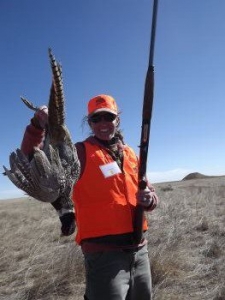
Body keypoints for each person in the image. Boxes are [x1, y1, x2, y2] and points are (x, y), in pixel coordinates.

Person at [21, 94, 159, 300]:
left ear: (117, 120)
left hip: (140, 250)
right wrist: (37, 126)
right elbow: (33, 157)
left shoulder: (130, 153)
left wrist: (150, 199)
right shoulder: (79, 153)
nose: (103, 123)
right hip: (104, 255)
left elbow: (148, 189)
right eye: (96, 119)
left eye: (108, 117)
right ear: (89, 123)